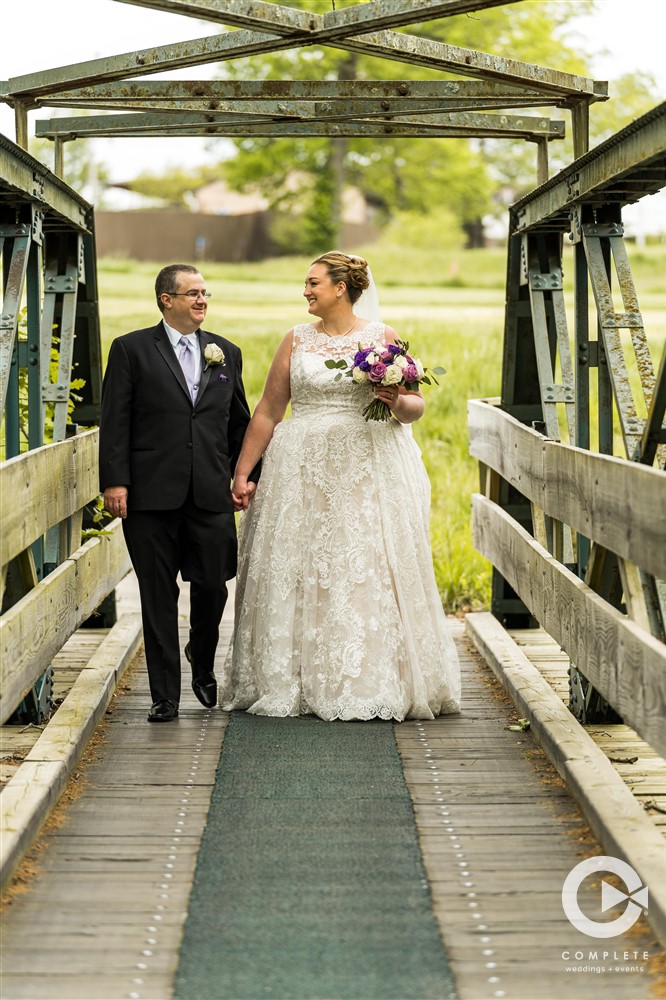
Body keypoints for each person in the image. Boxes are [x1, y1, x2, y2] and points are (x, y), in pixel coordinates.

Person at [221, 251, 460, 721]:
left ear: (341, 288)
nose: (306, 291)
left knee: (360, 562)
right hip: (300, 470)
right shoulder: (294, 340)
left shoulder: (382, 339)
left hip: (364, 469)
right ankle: (295, 677)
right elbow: (268, 412)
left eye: (313, 283)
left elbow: (415, 408)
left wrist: (394, 397)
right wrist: (244, 472)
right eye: (306, 284)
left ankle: (363, 677)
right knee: (300, 562)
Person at [99, 263, 257, 723]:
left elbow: (238, 423)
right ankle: (164, 695)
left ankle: (202, 661)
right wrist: (115, 481)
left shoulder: (226, 353)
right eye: (192, 293)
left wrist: (246, 475)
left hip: (210, 493)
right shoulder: (130, 350)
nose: (202, 300)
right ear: (166, 300)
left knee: (212, 585)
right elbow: (115, 420)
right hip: (149, 495)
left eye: (205, 292)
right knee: (157, 594)